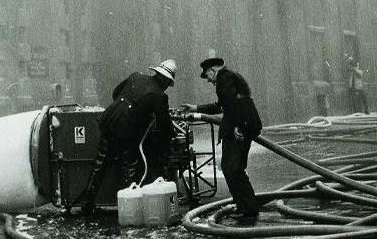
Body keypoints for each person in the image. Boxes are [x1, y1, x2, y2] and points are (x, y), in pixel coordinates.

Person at [77, 59, 176, 216]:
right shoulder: (159, 95)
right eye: (168, 83)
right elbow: (164, 125)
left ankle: (87, 204)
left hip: (109, 122)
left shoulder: (135, 76)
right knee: (129, 167)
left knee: (99, 165)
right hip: (126, 133)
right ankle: (132, 208)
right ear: (165, 80)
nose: (166, 87)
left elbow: (115, 93)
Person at [182, 57, 263, 220]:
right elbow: (222, 105)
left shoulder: (223, 77)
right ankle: (245, 206)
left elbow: (232, 104)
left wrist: (236, 126)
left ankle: (247, 208)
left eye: (208, 76)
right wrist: (197, 108)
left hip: (241, 125)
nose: (209, 81)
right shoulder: (231, 77)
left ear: (212, 70)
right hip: (245, 123)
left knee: (232, 168)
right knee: (233, 168)